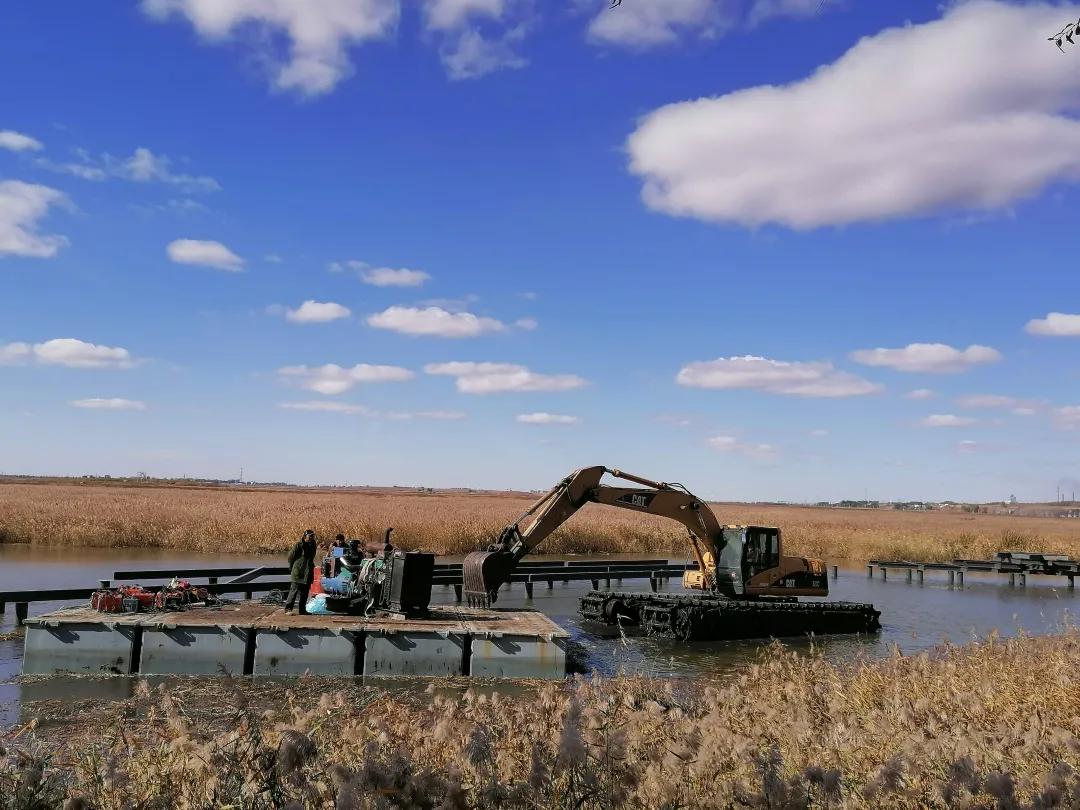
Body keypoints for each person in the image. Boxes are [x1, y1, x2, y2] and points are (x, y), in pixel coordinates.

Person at [285, 530, 318, 614]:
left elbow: (312, 557)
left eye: (312, 536)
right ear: (305, 537)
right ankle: (288, 609)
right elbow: (290, 557)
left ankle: (302, 610)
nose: (311, 538)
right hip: (298, 571)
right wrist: (293, 567)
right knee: (294, 591)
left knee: (305, 592)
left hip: (308, 571)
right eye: (309, 536)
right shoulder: (299, 545)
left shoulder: (313, 544)